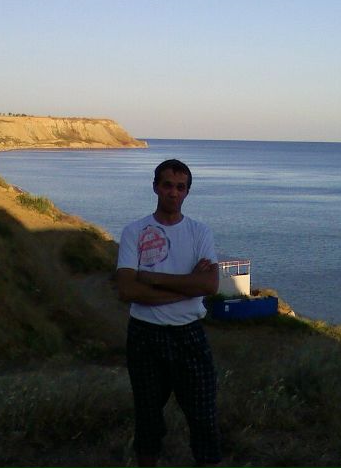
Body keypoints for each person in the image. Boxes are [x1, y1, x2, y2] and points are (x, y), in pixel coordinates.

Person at [116, 159, 222, 468]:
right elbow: (127, 290)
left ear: (187, 192)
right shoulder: (134, 231)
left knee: (204, 417)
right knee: (148, 418)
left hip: (189, 334)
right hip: (145, 335)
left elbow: (210, 285)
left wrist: (153, 278)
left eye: (180, 187)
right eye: (167, 185)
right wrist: (188, 286)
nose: (173, 193)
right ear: (155, 187)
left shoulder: (199, 232)